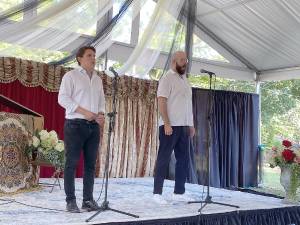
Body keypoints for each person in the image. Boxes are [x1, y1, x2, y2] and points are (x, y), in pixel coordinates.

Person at [58, 46, 105, 213]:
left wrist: (100, 115)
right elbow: (62, 98)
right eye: (89, 55)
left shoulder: (98, 79)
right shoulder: (71, 76)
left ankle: (88, 200)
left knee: (91, 165)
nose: (93, 58)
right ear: (79, 58)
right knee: (71, 164)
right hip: (75, 125)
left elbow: (101, 102)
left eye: (94, 55)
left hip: (93, 127)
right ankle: (70, 201)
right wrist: (86, 112)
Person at [153, 51, 195, 204]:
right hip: (169, 126)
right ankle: (157, 193)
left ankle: (179, 192)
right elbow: (161, 101)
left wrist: (191, 124)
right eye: (182, 60)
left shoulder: (185, 80)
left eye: (186, 60)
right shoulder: (167, 78)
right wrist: (167, 123)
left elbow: (188, 105)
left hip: (184, 127)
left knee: (183, 160)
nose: (185, 62)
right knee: (163, 158)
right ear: (174, 61)